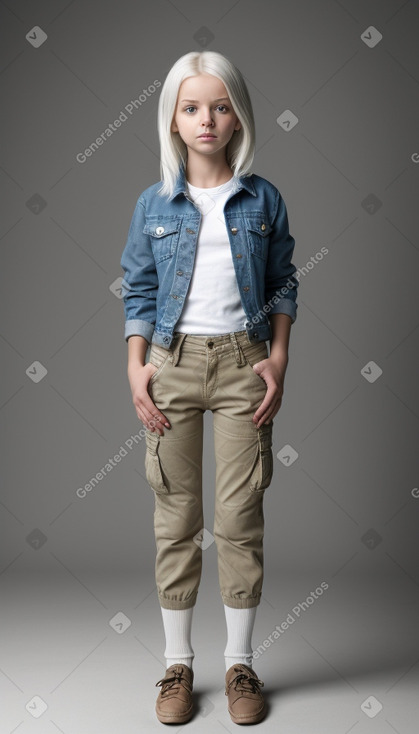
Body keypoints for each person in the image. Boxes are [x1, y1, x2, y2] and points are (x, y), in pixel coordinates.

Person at [120, 50, 299, 725]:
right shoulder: (154, 203)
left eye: (220, 106)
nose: (206, 119)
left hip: (242, 366)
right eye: (191, 106)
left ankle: (239, 664)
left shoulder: (262, 197)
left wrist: (277, 358)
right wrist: (135, 367)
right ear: (172, 117)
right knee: (174, 519)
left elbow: (284, 281)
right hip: (170, 366)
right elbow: (138, 288)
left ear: (237, 118)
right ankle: (177, 666)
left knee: (239, 519)